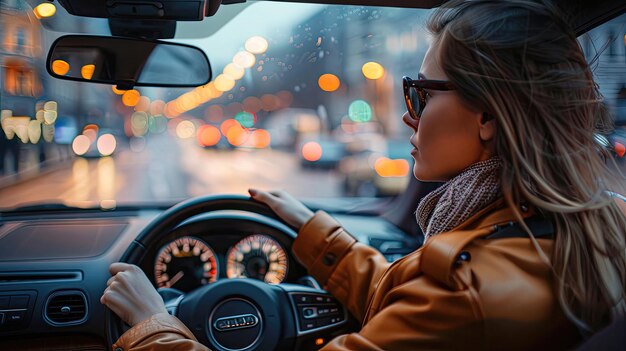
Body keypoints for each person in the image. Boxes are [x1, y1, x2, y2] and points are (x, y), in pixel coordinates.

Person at [101, 1, 626, 350]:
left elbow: (437, 307)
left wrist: (154, 327)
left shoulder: (467, 290)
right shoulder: (588, 226)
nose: (407, 115)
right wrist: (315, 233)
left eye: (420, 92)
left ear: (487, 115)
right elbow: (415, 307)